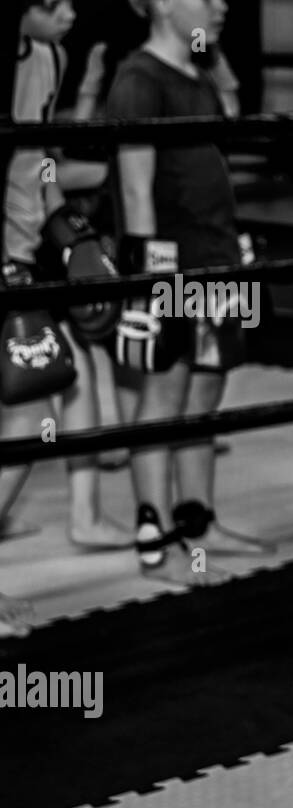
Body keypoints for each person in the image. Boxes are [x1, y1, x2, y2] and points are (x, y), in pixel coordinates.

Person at [106, 0, 271, 586]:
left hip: (214, 260)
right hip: (172, 269)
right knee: (164, 398)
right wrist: (152, 282)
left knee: (204, 393)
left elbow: (224, 132)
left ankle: (196, 525)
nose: (220, 4)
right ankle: (156, 544)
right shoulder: (139, 79)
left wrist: (217, 63)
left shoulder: (195, 74)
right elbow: (134, 188)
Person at [1, 0, 131, 552]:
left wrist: (71, 233)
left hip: (29, 248)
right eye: (53, 3)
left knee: (68, 375)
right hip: (7, 257)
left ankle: (86, 517)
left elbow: (41, 158)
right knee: (31, 409)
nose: (71, 13)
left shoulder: (50, 57)